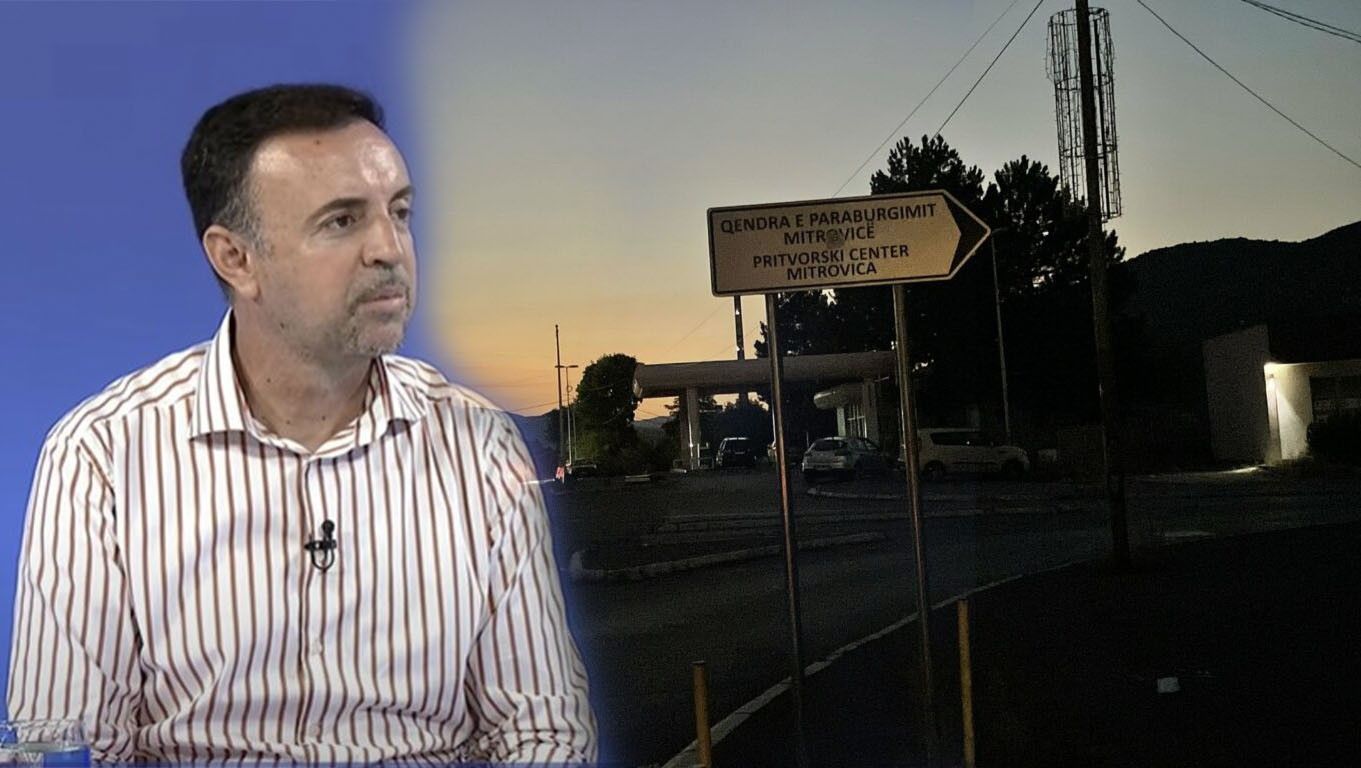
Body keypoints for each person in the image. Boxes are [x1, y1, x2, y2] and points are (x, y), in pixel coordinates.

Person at [6, 83, 597, 765]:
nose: (389, 249)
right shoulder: (102, 455)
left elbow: (541, 731)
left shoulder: (478, 445)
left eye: (399, 212)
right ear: (236, 258)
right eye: (342, 221)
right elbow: (66, 744)